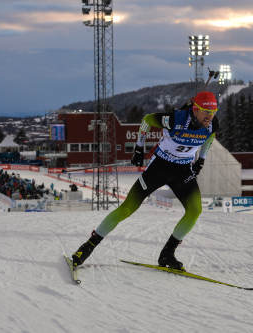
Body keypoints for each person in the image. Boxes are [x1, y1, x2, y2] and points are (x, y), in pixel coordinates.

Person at [72, 91, 219, 270]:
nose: (210, 117)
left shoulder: (212, 124)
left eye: (213, 112)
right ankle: (87, 247)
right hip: (159, 168)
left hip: (182, 170)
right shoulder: (175, 119)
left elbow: (209, 138)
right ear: (195, 109)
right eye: (206, 112)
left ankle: (167, 253)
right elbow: (148, 119)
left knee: (195, 210)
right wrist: (139, 148)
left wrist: (201, 159)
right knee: (127, 208)